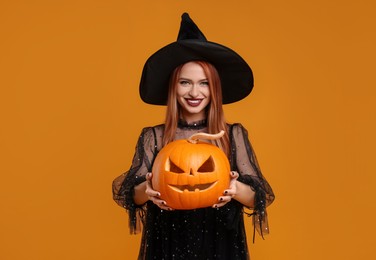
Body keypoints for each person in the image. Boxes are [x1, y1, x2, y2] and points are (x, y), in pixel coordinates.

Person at [112, 13, 275, 260]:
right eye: (185, 82)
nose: (195, 92)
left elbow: (258, 197)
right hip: (168, 246)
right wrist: (150, 188)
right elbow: (131, 195)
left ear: (215, 88)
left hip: (221, 245)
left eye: (204, 83)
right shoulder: (153, 137)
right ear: (173, 87)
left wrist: (234, 188)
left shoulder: (233, 135)